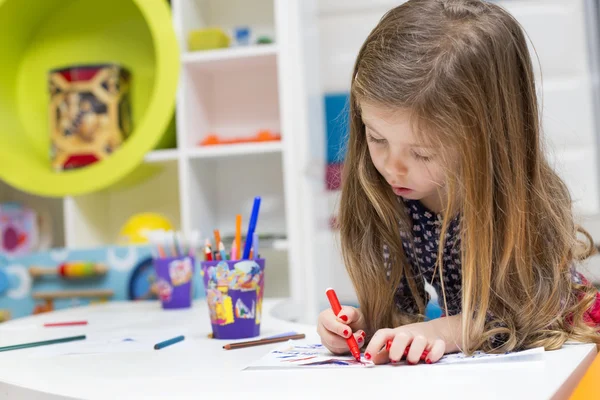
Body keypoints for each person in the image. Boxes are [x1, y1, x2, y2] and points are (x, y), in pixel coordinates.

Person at [317, 0, 600, 365]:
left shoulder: (522, 205)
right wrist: (364, 327)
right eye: (376, 138)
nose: (392, 168)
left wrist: (446, 331)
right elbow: (403, 311)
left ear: (487, 140)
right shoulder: (389, 195)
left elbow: (535, 315)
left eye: (422, 154)